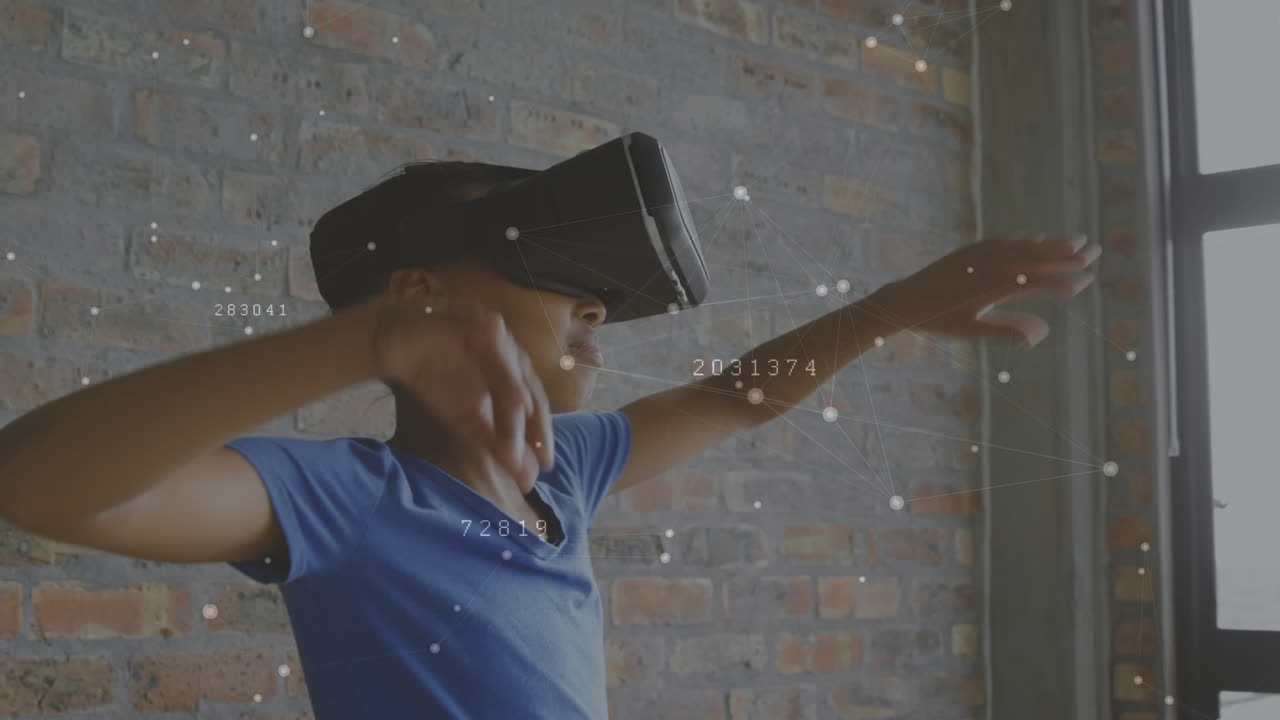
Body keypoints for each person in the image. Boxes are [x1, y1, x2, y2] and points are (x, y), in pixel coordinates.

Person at [0, 158, 1100, 719]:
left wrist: (885, 309)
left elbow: (735, 399)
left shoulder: (561, 471)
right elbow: (41, 485)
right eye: (556, 280)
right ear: (418, 292)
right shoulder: (339, 497)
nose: (596, 310)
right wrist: (366, 343)